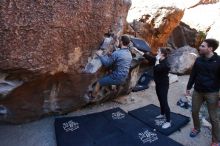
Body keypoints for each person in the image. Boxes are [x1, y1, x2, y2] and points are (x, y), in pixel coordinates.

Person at [186, 38, 220, 146]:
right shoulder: (199, 59)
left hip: (212, 93)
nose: (199, 47)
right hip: (198, 91)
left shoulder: (218, 61)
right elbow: (193, 74)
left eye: (203, 46)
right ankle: (196, 128)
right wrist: (188, 87)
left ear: (210, 48)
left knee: (213, 118)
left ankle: (215, 140)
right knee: (194, 111)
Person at [143, 47, 172, 129]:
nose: (156, 52)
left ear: (162, 54)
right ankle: (162, 114)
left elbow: (157, 68)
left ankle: (168, 121)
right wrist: (138, 51)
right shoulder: (158, 59)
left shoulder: (166, 64)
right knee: (160, 99)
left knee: (164, 101)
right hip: (158, 83)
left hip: (163, 85)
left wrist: (157, 60)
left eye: (158, 51)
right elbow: (150, 57)